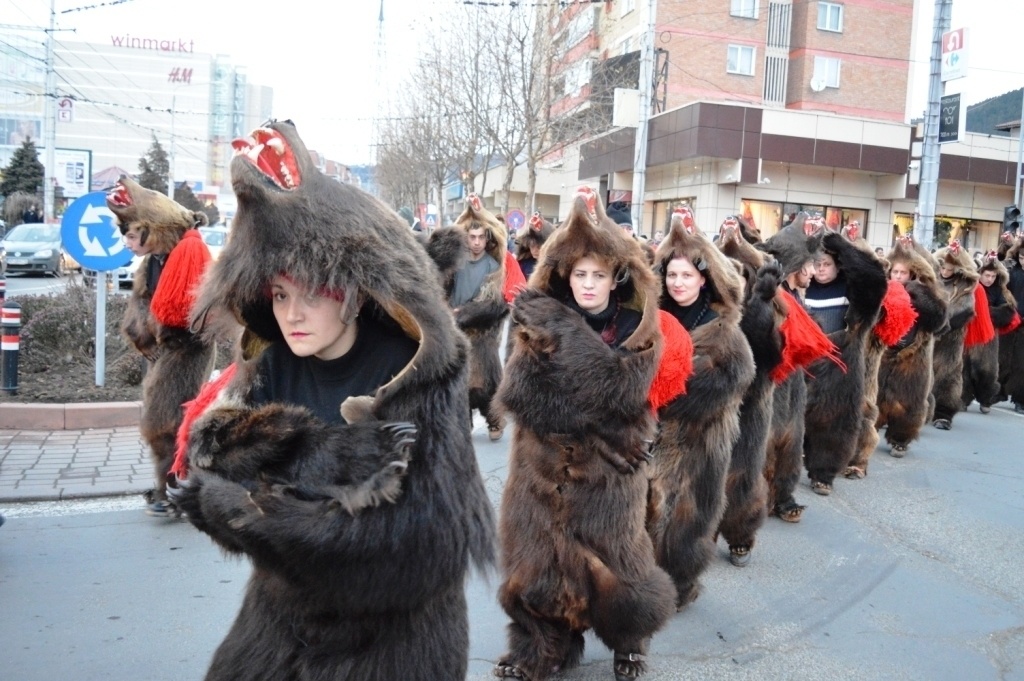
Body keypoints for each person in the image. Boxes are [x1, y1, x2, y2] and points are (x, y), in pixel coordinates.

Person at [171, 119, 494, 680]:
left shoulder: (413, 370)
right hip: (282, 625)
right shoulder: (272, 365)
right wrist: (246, 503)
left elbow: (427, 547)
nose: (291, 314)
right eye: (279, 294)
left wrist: (265, 517)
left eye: (312, 294)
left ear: (349, 292)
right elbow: (219, 485)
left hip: (394, 641)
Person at [493, 188, 685, 681]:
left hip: (608, 483)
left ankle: (631, 643)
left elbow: (623, 391)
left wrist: (566, 332)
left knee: (617, 570)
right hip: (540, 475)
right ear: (565, 275)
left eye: (598, 275)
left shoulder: (636, 327)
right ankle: (539, 651)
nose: (587, 285)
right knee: (537, 574)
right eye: (579, 274)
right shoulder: (538, 319)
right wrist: (604, 426)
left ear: (616, 278)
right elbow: (523, 396)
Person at [647, 207, 755, 592]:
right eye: (672, 274)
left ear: (703, 278)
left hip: (699, 445)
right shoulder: (650, 319)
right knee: (645, 515)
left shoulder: (722, 329)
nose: (678, 283)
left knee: (686, 520)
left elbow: (737, 375)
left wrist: (670, 394)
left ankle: (681, 582)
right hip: (648, 437)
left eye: (686, 276)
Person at [106, 175, 215, 518]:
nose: (126, 242)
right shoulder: (154, 261)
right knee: (174, 423)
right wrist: (142, 340)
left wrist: (164, 337)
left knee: (164, 424)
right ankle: (183, 487)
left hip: (186, 350)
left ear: (152, 229)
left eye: (131, 234)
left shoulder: (189, 254)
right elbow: (142, 307)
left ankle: (173, 491)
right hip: (162, 351)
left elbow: (196, 313)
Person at [876, 237, 949, 457]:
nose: (898, 277)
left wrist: (920, 295)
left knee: (909, 401)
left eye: (903, 273)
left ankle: (901, 439)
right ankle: (865, 435)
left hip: (913, 355)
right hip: (884, 351)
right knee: (874, 397)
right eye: (895, 272)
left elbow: (940, 323)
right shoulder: (882, 291)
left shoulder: (926, 293)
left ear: (912, 274)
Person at [445, 194, 509, 440]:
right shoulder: (456, 262)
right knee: (458, 380)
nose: (477, 242)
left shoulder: (493, 266)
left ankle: (495, 419)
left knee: (486, 380)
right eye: (472, 237)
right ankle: (464, 422)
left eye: (481, 237)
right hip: (455, 328)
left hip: (482, 331)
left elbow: (493, 302)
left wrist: (467, 312)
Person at [930, 241, 978, 430]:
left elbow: (966, 310)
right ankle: (920, 409)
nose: (945, 270)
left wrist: (945, 325)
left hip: (951, 338)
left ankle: (944, 413)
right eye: (943, 266)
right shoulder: (932, 280)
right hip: (931, 334)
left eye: (950, 268)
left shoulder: (965, 286)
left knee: (948, 375)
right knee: (923, 374)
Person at [962, 252, 1014, 413]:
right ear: (980, 274)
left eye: (992, 275)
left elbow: (1007, 310)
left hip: (989, 334)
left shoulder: (999, 290)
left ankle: (986, 399)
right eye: (987, 275)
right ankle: (963, 397)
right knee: (965, 367)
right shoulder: (972, 287)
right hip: (970, 330)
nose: (989, 279)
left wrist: (986, 313)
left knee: (988, 369)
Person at [998, 236, 1024, 412]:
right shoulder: (1013, 273)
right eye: (1022, 257)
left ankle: (1019, 398)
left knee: (1021, 363)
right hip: (1012, 319)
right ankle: (997, 390)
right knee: (1003, 358)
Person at [804, 251, 849, 333]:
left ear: (838, 267)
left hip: (838, 344)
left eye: (827, 264)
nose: (821, 269)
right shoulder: (804, 289)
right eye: (818, 265)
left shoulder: (848, 289)